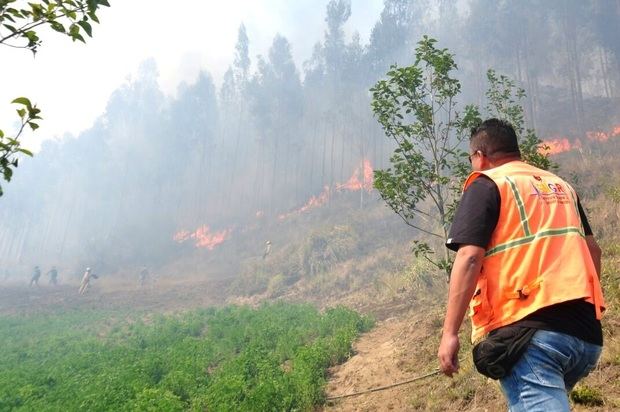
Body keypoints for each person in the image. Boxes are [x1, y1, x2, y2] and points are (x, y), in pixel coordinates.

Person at [437, 119, 605, 411]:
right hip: (585, 336)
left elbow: (470, 257)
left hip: (530, 337)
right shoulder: (561, 186)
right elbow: (594, 251)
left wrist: (450, 333)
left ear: (480, 155)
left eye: (471, 159)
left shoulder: (488, 184)